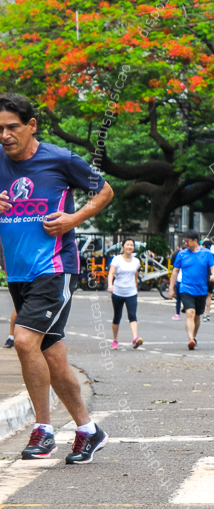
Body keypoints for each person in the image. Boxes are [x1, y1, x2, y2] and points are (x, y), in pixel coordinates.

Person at [0, 92, 114, 464]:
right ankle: (87, 429)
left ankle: (44, 430)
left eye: (12, 127)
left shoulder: (60, 159)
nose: (4, 135)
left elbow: (105, 191)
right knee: (52, 356)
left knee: (23, 340)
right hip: (17, 272)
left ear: (31, 126)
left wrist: (73, 219)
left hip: (55, 267)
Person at [168, 230, 214, 350]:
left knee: (197, 316)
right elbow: (175, 271)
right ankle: (190, 338)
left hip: (201, 289)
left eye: (187, 241)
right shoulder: (181, 254)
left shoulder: (207, 253)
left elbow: (213, 267)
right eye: (184, 241)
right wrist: (171, 288)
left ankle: (194, 337)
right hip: (186, 288)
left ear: (195, 241)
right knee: (189, 312)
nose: (185, 244)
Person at [107, 238, 143, 350]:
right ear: (123, 247)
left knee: (132, 315)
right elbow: (111, 273)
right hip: (118, 291)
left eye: (131, 245)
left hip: (131, 292)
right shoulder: (117, 259)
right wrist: (110, 285)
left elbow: (135, 276)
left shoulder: (136, 261)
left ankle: (135, 338)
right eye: (127, 245)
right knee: (117, 316)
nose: (129, 247)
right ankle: (115, 340)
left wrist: (136, 288)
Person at [202, 239, 214, 322]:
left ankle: (204, 314)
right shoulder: (213, 255)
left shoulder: (202, 254)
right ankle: (207, 313)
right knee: (209, 296)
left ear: (203, 246)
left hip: (204, 278)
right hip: (211, 278)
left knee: (203, 296)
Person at [171, 241, 186, 320]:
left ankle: (177, 313)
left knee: (178, 298)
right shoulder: (185, 257)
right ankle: (185, 309)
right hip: (184, 280)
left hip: (180, 280)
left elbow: (174, 269)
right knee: (184, 297)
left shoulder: (178, 255)